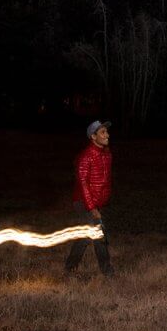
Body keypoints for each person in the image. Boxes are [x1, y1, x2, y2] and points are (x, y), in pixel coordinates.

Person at [64, 119, 114, 278]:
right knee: (98, 234)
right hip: (83, 202)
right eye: (103, 132)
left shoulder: (107, 154)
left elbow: (105, 180)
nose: (107, 135)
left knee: (86, 237)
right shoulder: (86, 157)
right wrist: (92, 208)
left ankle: (70, 267)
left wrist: (102, 201)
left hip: (97, 202)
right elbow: (84, 185)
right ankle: (108, 272)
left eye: (107, 132)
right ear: (93, 136)